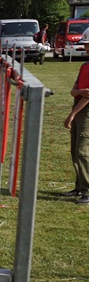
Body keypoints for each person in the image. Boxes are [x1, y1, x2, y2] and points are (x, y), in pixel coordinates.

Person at [63, 60, 89, 204]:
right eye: (85, 44)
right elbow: (74, 91)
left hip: (85, 110)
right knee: (75, 150)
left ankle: (87, 190)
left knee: (82, 151)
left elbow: (87, 96)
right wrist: (79, 92)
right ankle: (79, 187)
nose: (87, 48)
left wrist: (72, 115)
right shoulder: (84, 66)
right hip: (79, 107)